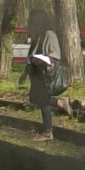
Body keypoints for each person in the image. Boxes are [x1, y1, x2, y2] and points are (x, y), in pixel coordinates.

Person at [26, 9, 61, 142]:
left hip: (44, 74)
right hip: (36, 74)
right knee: (35, 99)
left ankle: (48, 132)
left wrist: (40, 60)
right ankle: (59, 102)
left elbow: (55, 55)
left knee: (43, 100)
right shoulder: (37, 36)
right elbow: (31, 56)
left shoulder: (49, 35)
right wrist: (25, 72)